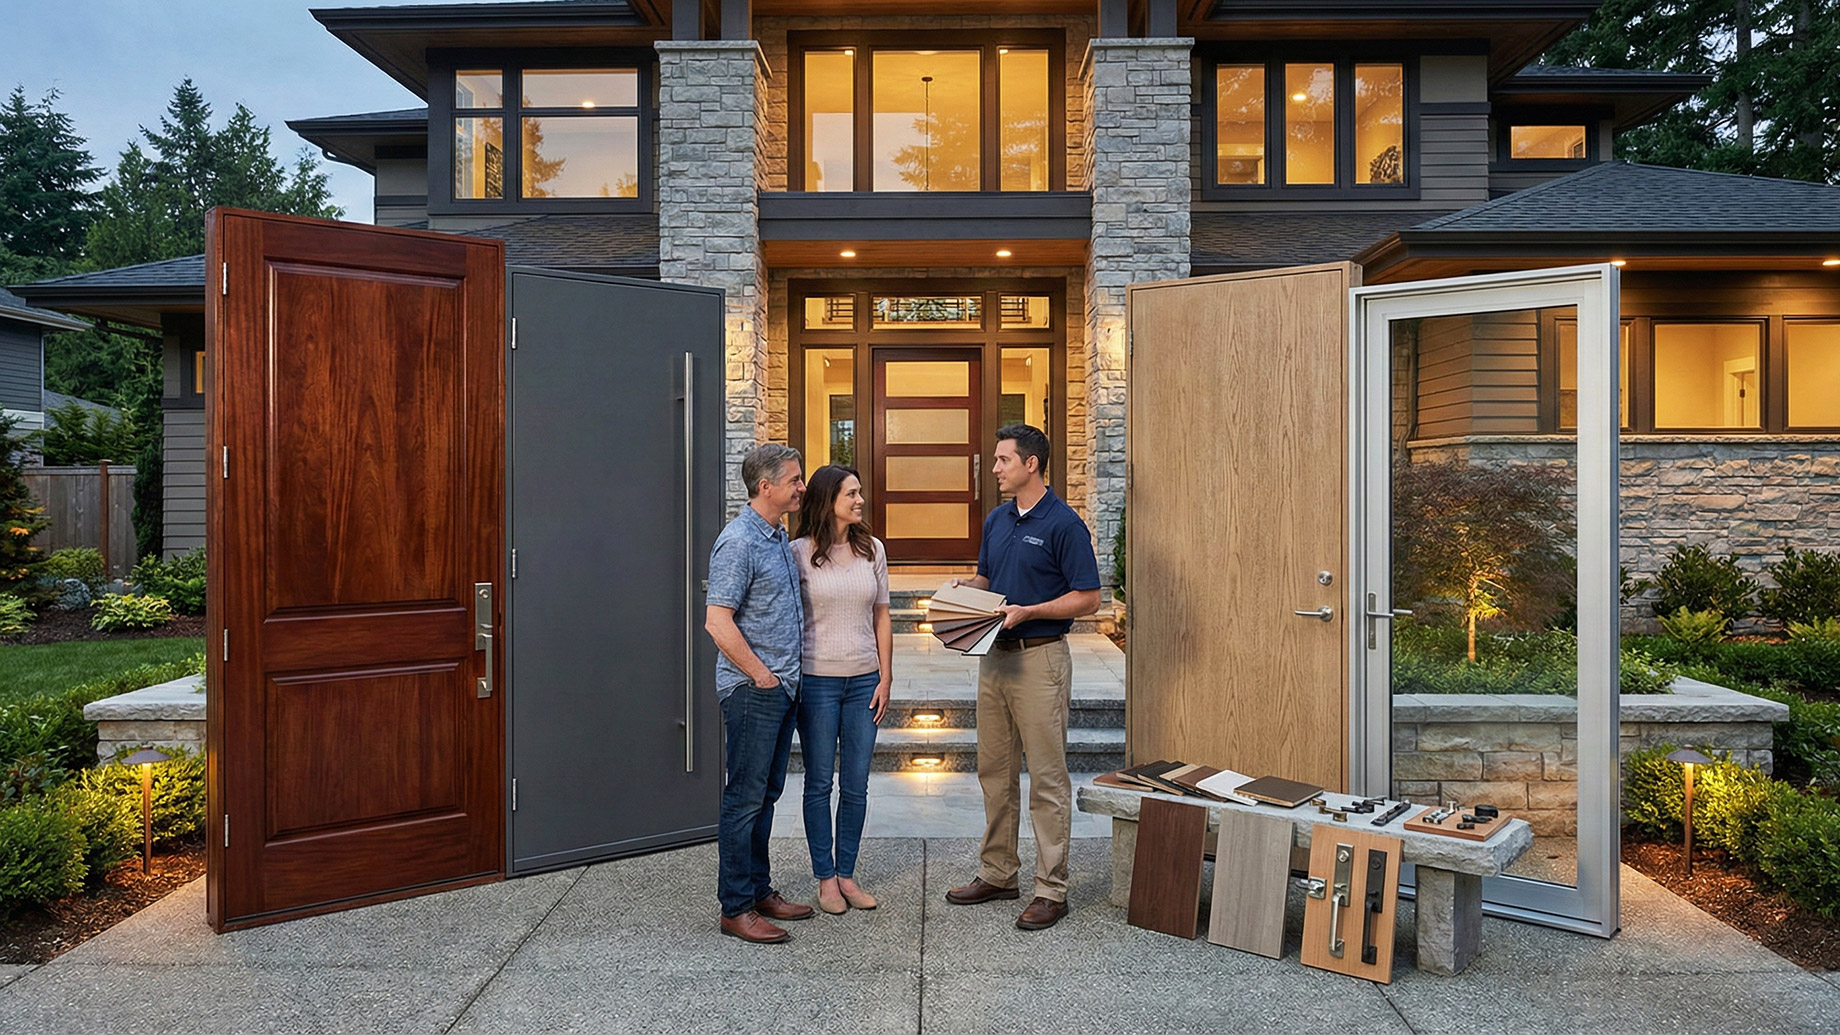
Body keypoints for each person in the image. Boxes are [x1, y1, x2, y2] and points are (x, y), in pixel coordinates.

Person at [943, 424, 1101, 931]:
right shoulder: (997, 519)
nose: (994, 469)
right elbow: (989, 578)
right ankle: (998, 873)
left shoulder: (1064, 524)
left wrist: (1031, 611)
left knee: (1048, 779)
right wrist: (964, 589)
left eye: (1002, 460)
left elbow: (1089, 597)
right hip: (995, 658)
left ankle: (1051, 889)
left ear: (1031, 464)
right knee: (994, 773)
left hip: (1041, 660)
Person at [704, 442, 815, 944]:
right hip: (754, 690)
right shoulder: (740, 541)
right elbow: (717, 621)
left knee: (766, 795)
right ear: (765, 486)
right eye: (794, 479)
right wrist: (763, 675)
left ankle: (758, 889)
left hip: (781, 689)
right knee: (744, 798)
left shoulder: (775, 537)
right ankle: (735, 907)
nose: (802, 487)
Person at [790, 464, 892, 915]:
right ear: (827, 498)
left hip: (863, 682)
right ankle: (825, 878)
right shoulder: (796, 553)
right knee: (817, 784)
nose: (860, 500)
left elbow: (882, 616)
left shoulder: (873, 550)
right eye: (851, 493)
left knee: (855, 784)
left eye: (860, 493)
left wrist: (885, 675)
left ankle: (847, 874)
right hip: (816, 682)